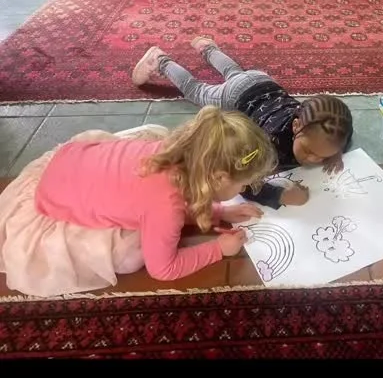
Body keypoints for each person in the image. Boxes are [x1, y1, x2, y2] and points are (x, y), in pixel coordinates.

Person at [0, 109, 277, 298]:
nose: (244, 190)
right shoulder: (165, 207)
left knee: (152, 142)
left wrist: (221, 212)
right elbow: (164, 269)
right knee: (132, 255)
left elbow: (185, 197)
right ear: (218, 178)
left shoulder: (179, 155)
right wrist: (218, 249)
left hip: (69, 162)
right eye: (243, 184)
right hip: (50, 200)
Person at [132, 38, 354, 209]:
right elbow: (239, 181)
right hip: (235, 96)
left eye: (322, 156)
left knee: (234, 72)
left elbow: (344, 135)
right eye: (308, 151)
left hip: (263, 80)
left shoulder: (326, 130)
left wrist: (334, 153)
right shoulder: (269, 144)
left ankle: (208, 48)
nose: (313, 159)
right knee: (196, 90)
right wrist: (280, 195)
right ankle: (161, 61)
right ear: (296, 127)